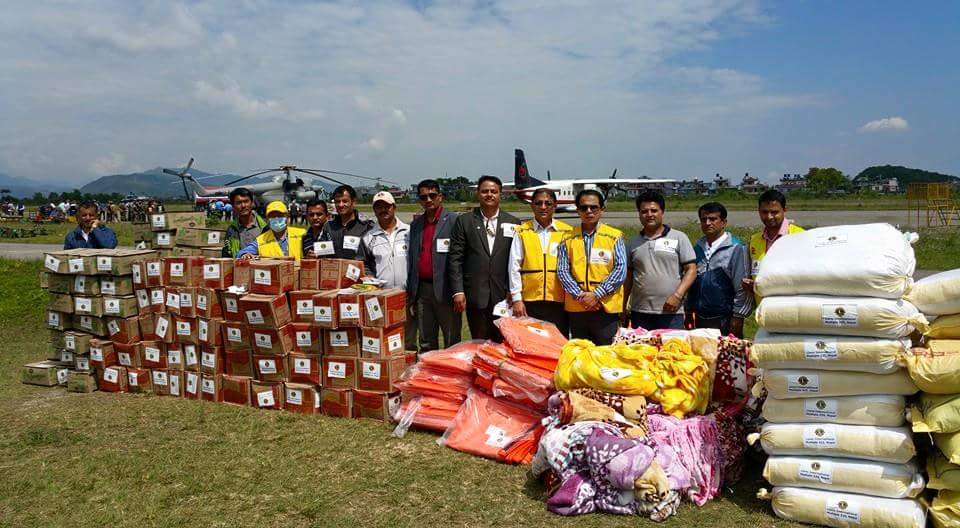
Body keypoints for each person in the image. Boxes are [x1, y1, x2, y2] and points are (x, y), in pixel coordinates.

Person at [448, 175, 520, 342]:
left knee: (504, 343)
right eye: (485, 191)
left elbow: (517, 261)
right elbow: (455, 259)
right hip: (475, 294)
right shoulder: (464, 221)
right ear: (478, 194)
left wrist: (514, 291)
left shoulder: (514, 223)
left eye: (493, 191)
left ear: (500, 194)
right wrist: (458, 291)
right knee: (479, 343)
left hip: (504, 296)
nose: (489, 195)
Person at [556, 190, 626, 345]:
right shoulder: (567, 238)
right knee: (581, 351)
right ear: (577, 210)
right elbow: (562, 271)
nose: (589, 211)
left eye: (593, 207)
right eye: (584, 207)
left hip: (605, 307)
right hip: (577, 308)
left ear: (602, 210)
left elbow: (620, 270)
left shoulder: (615, 236)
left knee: (606, 352)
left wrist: (596, 295)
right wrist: (581, 296)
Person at [624, 190, 697, 331]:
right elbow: (628, 278)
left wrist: (677, 296)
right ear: (639, 214)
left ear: (662, 212)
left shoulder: (679, 237)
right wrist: (623, 307)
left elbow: (691, 270)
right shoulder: (633, 243)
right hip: (640, 312)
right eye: (644, 211)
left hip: (671, 311)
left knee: (672, 345)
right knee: (641, 346)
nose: (649, 214)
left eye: (654, 210)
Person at [508, 188, 573, 335]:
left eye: (548, 203)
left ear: (555, 205)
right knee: (532, 341)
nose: (543, 207)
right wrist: (517, 299)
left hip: (559, 300)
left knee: (558, 341)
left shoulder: (567, 232)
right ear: (532, 206)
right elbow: (514, 267)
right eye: (538, 203)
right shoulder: (522, 231)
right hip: (530, 300)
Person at [407, 179, 462, 352]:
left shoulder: (454, 221)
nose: (428, 200)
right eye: (424, 197)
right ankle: (428, 369)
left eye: (432, 195)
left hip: (446, 290)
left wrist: (459, 291)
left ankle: (452, 370)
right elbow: (412, 259)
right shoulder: (416, 225)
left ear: (440, 197)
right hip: (422, 292)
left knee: (452, 341)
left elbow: (461, 258)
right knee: (426, 341)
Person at [684, 202, 752, 337]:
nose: (707, 223)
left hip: (725, 318)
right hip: (699, 316)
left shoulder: (737, 248)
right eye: (704, 219)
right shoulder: (697, 248)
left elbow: (742, 286)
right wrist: (688, 310)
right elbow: (691, 282)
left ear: (723, 222)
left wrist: (738, 316)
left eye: (713, 219)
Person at [363, 191, 416, 350]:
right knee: (385, 339)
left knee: (408, 340)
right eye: (378, 207)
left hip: (406, 296)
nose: (383, 210)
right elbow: (365, 264)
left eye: (387, 206)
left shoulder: (410, 232)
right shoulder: (368, 237)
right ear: (374, 210)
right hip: (381, 298)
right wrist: (370, 279)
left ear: (394, 207)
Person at [743, 189, 805, 291]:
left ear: (784, 210)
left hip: (790, 299)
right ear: (759, 211)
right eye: (764, 212)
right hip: (762, 300)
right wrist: (752, 286)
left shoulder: (800, 236)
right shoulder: (754, 240)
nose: (769, 217)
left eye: (774, 212)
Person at [237, 201, 306, 261]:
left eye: (279, 215)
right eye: (272, 216)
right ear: (267, 219)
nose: (276, 218)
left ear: (287, 216)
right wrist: (245, 254)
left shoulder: (302, 234)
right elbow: (241, 253)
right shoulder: (261, 240)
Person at [323, 185, 374, 260]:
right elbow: (323, 252)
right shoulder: (328, 227)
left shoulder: (367, 227)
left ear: (354, 202)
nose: (341, 205)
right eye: (337, 201)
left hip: (360, 267)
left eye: (345, 201)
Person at [222, 188, 267, 258]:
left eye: (246, 201)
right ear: (233, 206)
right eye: (238, 203)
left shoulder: (265, 227)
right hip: (239, 264)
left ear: (252, 203)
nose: (243, 205)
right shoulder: (231, 230)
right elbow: (227, 254)